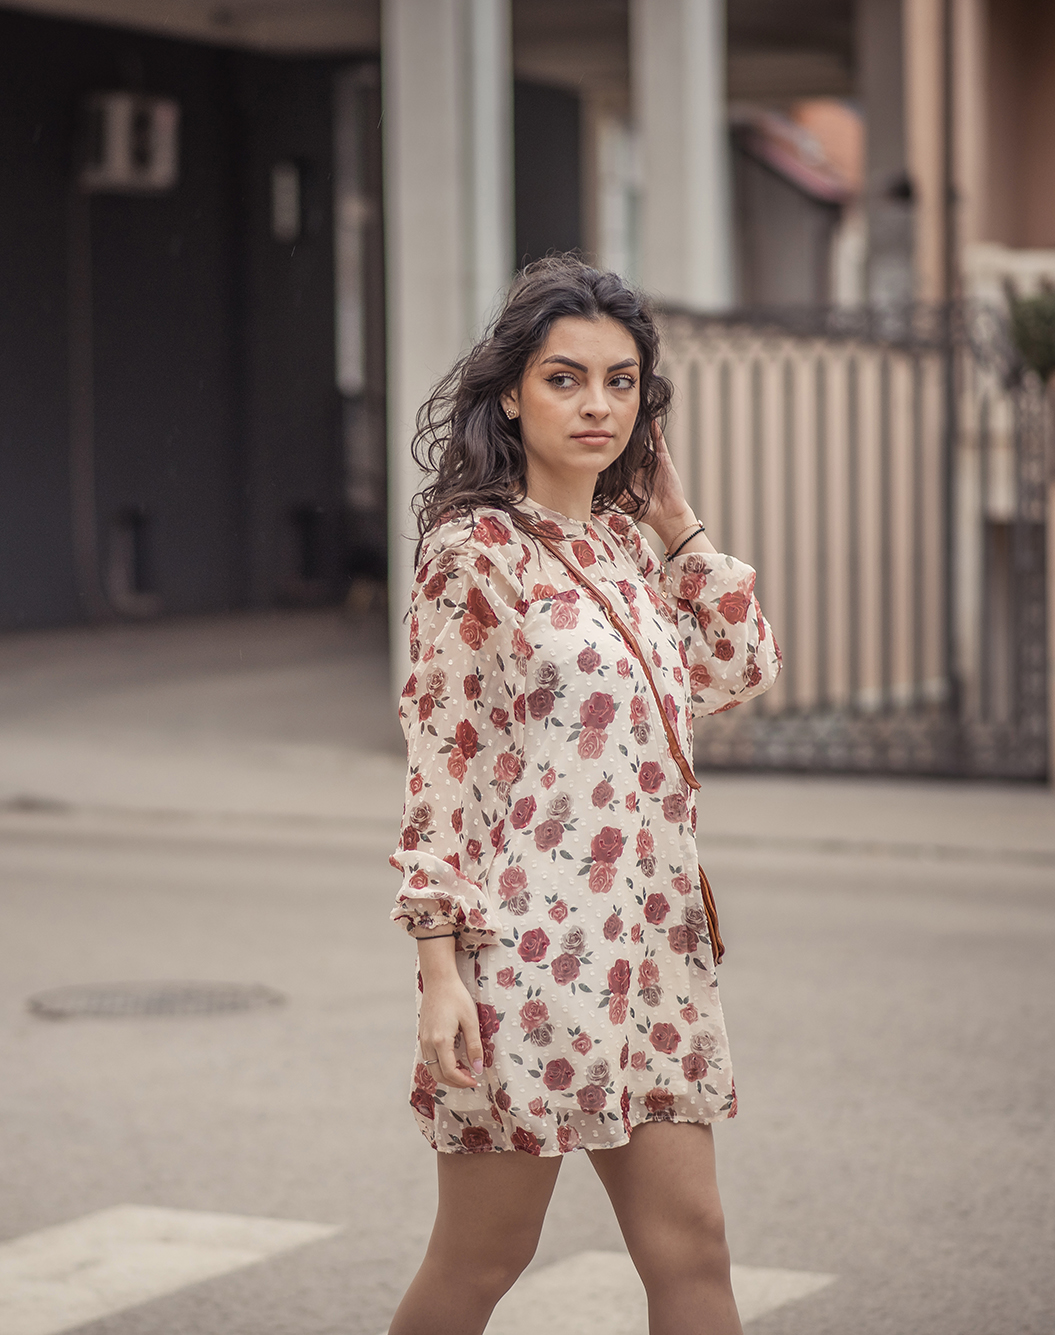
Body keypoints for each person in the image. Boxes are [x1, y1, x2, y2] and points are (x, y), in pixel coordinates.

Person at [386, 256, 781, 1335]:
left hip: (653, 954)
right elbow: (442, 773)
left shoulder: (619, 546)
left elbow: (737, 666)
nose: (595, 404)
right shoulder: (472, 557)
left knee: (692, 1252)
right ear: (511, 390)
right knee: (479, 1261)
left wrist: (675, 523)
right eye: (564, 379)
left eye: (619, 381)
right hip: (529, 962)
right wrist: (438, 971)